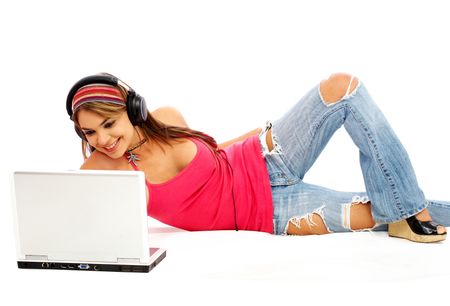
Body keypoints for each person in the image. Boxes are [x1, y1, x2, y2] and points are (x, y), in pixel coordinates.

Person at [66, 72, 449, 243]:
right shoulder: (102, 168)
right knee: (378, 213)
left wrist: (267, 130)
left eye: (108, 123)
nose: (102, 138)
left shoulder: (166, 118)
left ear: (131, 108)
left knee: (342, 87)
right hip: (270, 211)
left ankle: (408, 213)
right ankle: (410, 213)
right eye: (89, 132)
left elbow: (215, 155)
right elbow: (79, 222)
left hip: (264, 155)